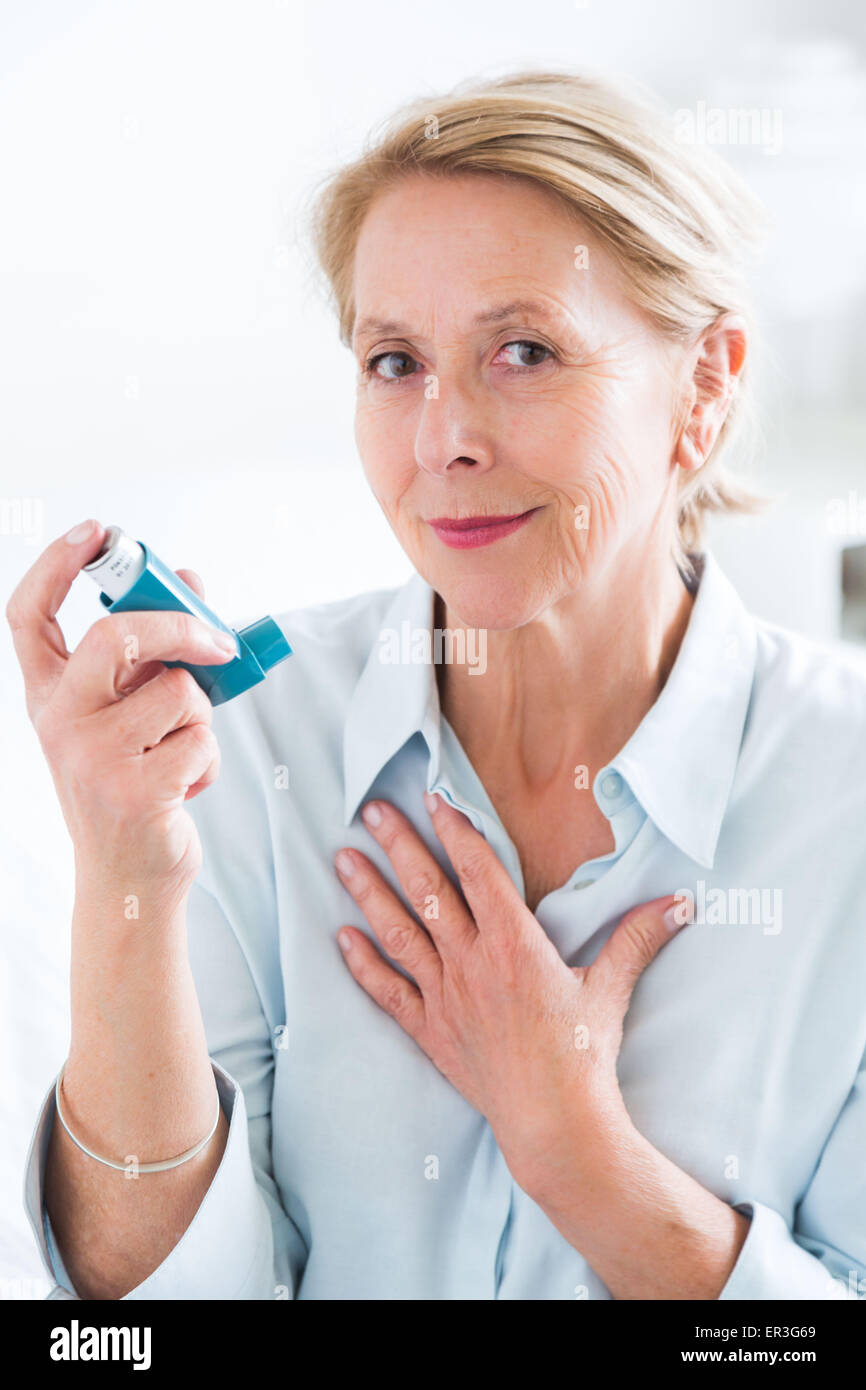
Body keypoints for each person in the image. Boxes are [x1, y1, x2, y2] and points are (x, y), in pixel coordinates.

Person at [11, 68, 866, 1300]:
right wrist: (124, 883)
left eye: (522, 350)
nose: (440, 440)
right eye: (393, 361)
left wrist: (574, 1150)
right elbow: (155, 1312)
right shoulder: (249, 743)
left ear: (704, 387)